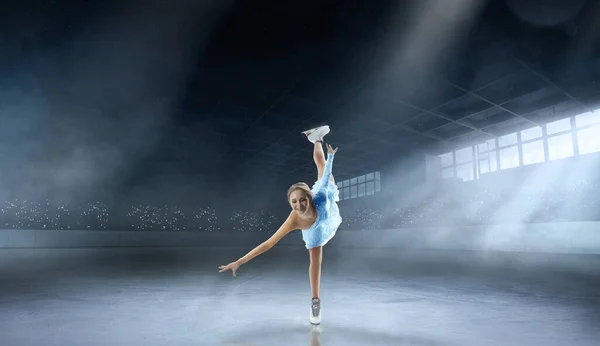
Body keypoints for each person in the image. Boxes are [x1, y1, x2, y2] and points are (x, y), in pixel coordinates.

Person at [218, 125, 342, 325]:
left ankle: (316, 138)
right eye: (294, 202)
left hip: (325, 211)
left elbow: (326, 175)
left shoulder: (319, 196)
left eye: (302, 200)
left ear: (308, 198)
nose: (299, 205)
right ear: (290, 204)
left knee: (322, 164)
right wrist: (239, 262)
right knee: (316, 262)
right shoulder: (294, 219)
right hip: (314, 232)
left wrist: (332, 158)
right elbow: (268, 243)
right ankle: (315, 302)